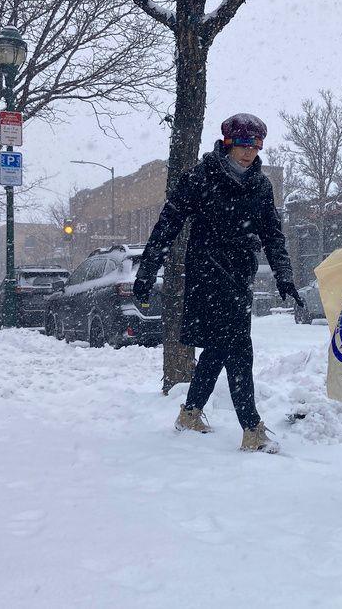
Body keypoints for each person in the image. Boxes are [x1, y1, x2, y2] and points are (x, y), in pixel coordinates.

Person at [133, 113, 304, 454]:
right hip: (206, 274)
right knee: (239, 345)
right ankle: (252, 428)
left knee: (218, 347)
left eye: (255, 146)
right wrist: (147, 271)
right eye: (242, 145)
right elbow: (169, 223)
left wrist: (284, 275)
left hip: (240, 274)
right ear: (228, 144)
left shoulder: (261, 185)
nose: (248, 153)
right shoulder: (201, 176)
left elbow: (273, 234)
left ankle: (190, 413)